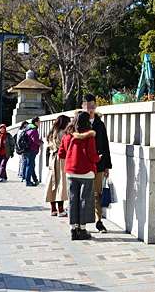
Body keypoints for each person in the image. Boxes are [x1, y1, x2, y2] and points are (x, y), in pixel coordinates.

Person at [58, 111, 100, 241]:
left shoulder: (67, 136)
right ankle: (82, 229)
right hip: (86, 172)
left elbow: (61, 154)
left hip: (71, 172)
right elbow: (92, 156)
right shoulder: (89, 136)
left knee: (72, 199)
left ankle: (73, 228)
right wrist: (99, 158)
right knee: (84, 200)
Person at [82, 94, 112, 234]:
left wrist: (107, 165)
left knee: (97, 194)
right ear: (83, 106)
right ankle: (81, 223)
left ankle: (99, 221)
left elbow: (105, 145)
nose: (90, 108)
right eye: (88, 106)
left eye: (92, 105)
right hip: (83, 165)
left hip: (98, 164)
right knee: (83, 194)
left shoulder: (100, 124)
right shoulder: (79, 123)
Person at [45, 115, 70, 216]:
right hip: (61, 159)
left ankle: (53, 209)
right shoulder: (63, 133)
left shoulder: (52, 132)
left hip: (52, 158)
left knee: (52, 183)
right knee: (61, 183)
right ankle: (60, 209)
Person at [24, 117, 42, 187]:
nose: (40, 123)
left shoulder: (28, 128)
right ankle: (28, 181)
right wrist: (40, 142)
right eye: (39, 121)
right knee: (30, 165)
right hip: (32, 149)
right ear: (36, 122)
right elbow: (35, 140)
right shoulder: (34, 130)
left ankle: (35, 180)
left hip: (27, 149)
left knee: (31, 165)